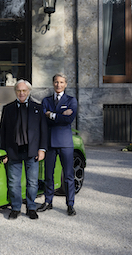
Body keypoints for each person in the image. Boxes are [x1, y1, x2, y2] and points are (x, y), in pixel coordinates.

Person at [0, 80, 48, 220]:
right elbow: (2, 131)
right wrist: (3, 152)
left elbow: (43, 131)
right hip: (13, 151)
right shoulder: (8, 109)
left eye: (24, 91)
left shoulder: (37, 108)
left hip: (32, 151)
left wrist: (42, 149)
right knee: (14, 182)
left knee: (32, 182)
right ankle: (15, 208)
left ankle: (31, 207)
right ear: (15, 91)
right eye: (19, 90)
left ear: (29, 91)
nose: (21, 93)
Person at [38, 73, 78, 216]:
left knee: (68, 175)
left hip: (65, 143)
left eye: (61, 82)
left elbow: (69, 120)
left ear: (65, 84)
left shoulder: (72, 101)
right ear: (53, 83)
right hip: (49, 143)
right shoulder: (46, 100)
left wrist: (52, 115)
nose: (58, 85)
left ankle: (70, 204)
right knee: (49, 174)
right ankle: (48, 202)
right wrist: (60, 115)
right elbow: (43, 119)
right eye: (56, 82)